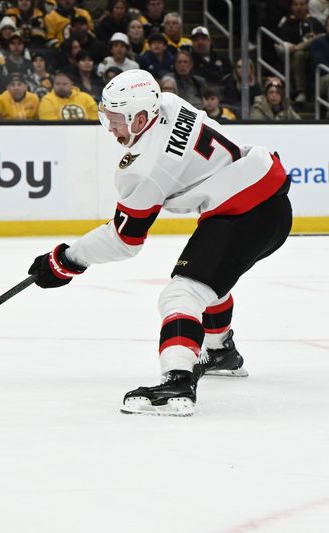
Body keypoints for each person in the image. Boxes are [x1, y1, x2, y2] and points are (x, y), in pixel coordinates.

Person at [28, 69, 291, 416]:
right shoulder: (167, 101)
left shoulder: (144, 168)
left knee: (182, 293)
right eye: (107, 117)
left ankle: (178, 382)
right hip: (271, 203)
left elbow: (125, 240)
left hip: (245, 214)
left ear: (140, 118)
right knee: (210, 277)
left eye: (117, 120)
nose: (111, 128)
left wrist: (66, 259)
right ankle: (221, 350)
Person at [278, 0, 326, 102]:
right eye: (296, 4)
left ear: (306, 6)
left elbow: (323, 37)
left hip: (315, 54)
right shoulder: (287, 22)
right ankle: (301, 92)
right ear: (291, 7)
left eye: (302, 4)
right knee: (298, 54)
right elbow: (283, 43)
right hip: (293, 56)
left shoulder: (314, 21)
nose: (299, 7)